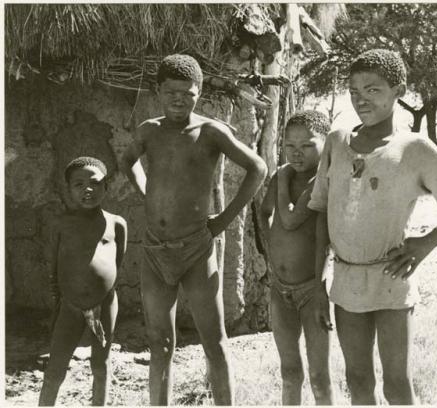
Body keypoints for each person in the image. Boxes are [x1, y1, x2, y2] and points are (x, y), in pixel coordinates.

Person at [308, 49, 437, 405]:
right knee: (357, 379)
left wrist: (425, 243)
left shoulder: (412, 148)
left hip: (391, 279)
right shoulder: (337, 142)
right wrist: (317, 282)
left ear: (398, 90)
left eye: (373, 90)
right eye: (354, 91)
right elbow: (322, 212)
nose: (361, 100)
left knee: (397, 383)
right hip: (346, 279)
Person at [121, 54, 267, 405]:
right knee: (160, 343)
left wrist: (222, 221)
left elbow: (257, 169)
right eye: (171, 92)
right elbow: (126, 161)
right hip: (155, 251)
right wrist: (144, 190)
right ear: (158, 91)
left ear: (198, 93)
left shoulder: (209, 132)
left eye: (187, 93)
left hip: (196, 250)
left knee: (214, 342)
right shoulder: (149, 131)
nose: (179, 99)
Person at [39, 157, 127, 406]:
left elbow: (117, 262)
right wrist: (58, 305)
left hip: (105, 306)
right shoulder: (61, 225)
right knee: (56, 367)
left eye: (95, 183)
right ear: (68, 189)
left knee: (101, 365)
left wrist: (102, 289)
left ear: (106, 187)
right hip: (70, 308)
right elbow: (54, 268)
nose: (88, 189)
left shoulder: (116, 224)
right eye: (78, 184)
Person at [261, 111, 334, 405]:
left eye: (306, 145)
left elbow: (290, 220)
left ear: (325, 145)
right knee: (289, 371)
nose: (296, 153)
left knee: (319, 376)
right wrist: (270, 252)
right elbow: (264, 212)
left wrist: (282, 177)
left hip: (312, 290)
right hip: (280, 289)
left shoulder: (321, 183)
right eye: (289, 145)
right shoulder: (282, 176)